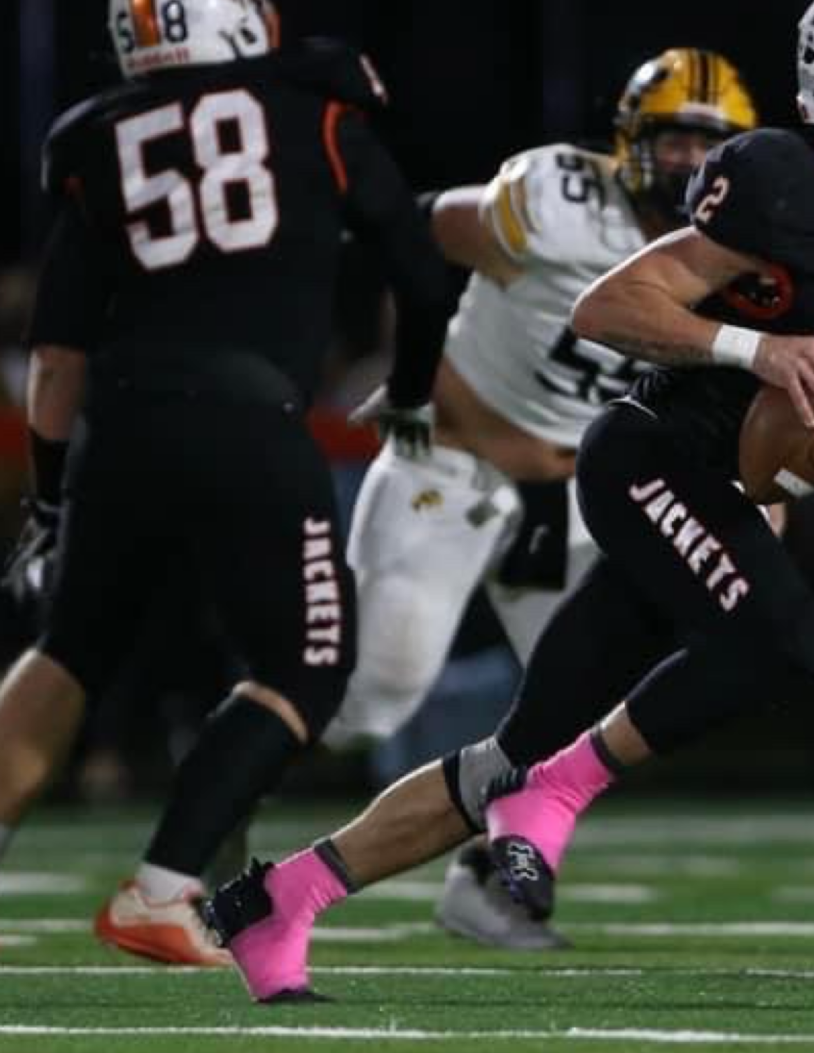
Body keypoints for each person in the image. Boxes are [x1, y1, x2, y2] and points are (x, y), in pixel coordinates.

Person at [201, 0, 814, 1003]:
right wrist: (759, 351)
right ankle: (557, 797)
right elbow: (609, 306)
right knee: (792, 641)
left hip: (725, 489)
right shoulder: (784, 179)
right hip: (651, 455)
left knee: (508, 752)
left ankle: (277, 899)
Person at [0, 0, 453, 965]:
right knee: (305, 664)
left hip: (120, 422)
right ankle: (164, 885)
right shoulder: (319, 105)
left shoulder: (97, 142)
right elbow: (423, 278)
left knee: (69, 649)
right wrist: (415, 388)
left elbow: (56, 358)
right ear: (241, 12)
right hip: (248, 418)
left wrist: (49, 492)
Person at [320, 46, 759, 950]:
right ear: (630, 140)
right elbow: (407, 234)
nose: (684, 161)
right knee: (377, 693)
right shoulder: (554, 204)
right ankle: (225, 796)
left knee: (594, 713)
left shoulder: (744, 257)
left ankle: (487, 885)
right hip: (459, 459)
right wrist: (412, 378)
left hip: (580, 494)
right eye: (671, 138)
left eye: (706, 145)